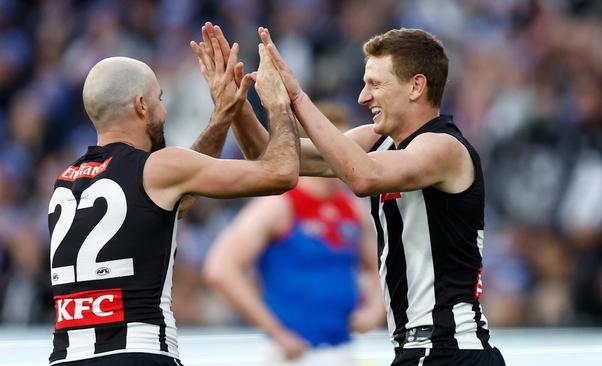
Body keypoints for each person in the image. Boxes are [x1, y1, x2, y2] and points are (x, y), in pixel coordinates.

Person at [194, 24, 505, 366]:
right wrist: (235, 103)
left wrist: (294, 98)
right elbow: (269, 156)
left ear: (416, 86)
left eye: (375, 84)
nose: (363, 97)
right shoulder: (377, 140)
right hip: (421, 348)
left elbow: (362, 177)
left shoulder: (444, 146)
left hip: (451, 348)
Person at [46, 35, 300, 365]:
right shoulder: (159, 168)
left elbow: (176, 197)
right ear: (141, 105)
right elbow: (282, 172)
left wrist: (223, 116)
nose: (163, 111)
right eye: (159, 99)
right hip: (140, 351)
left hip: (65, 358)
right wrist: (278, 102)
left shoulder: (66, 182)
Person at [203, 102, 385, 366]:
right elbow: (220, 268)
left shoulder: (352, 208)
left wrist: (374, 309)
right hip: (293, 354)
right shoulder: (279, 206)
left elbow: (377, 266)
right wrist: (277, 332)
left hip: (342, 348)